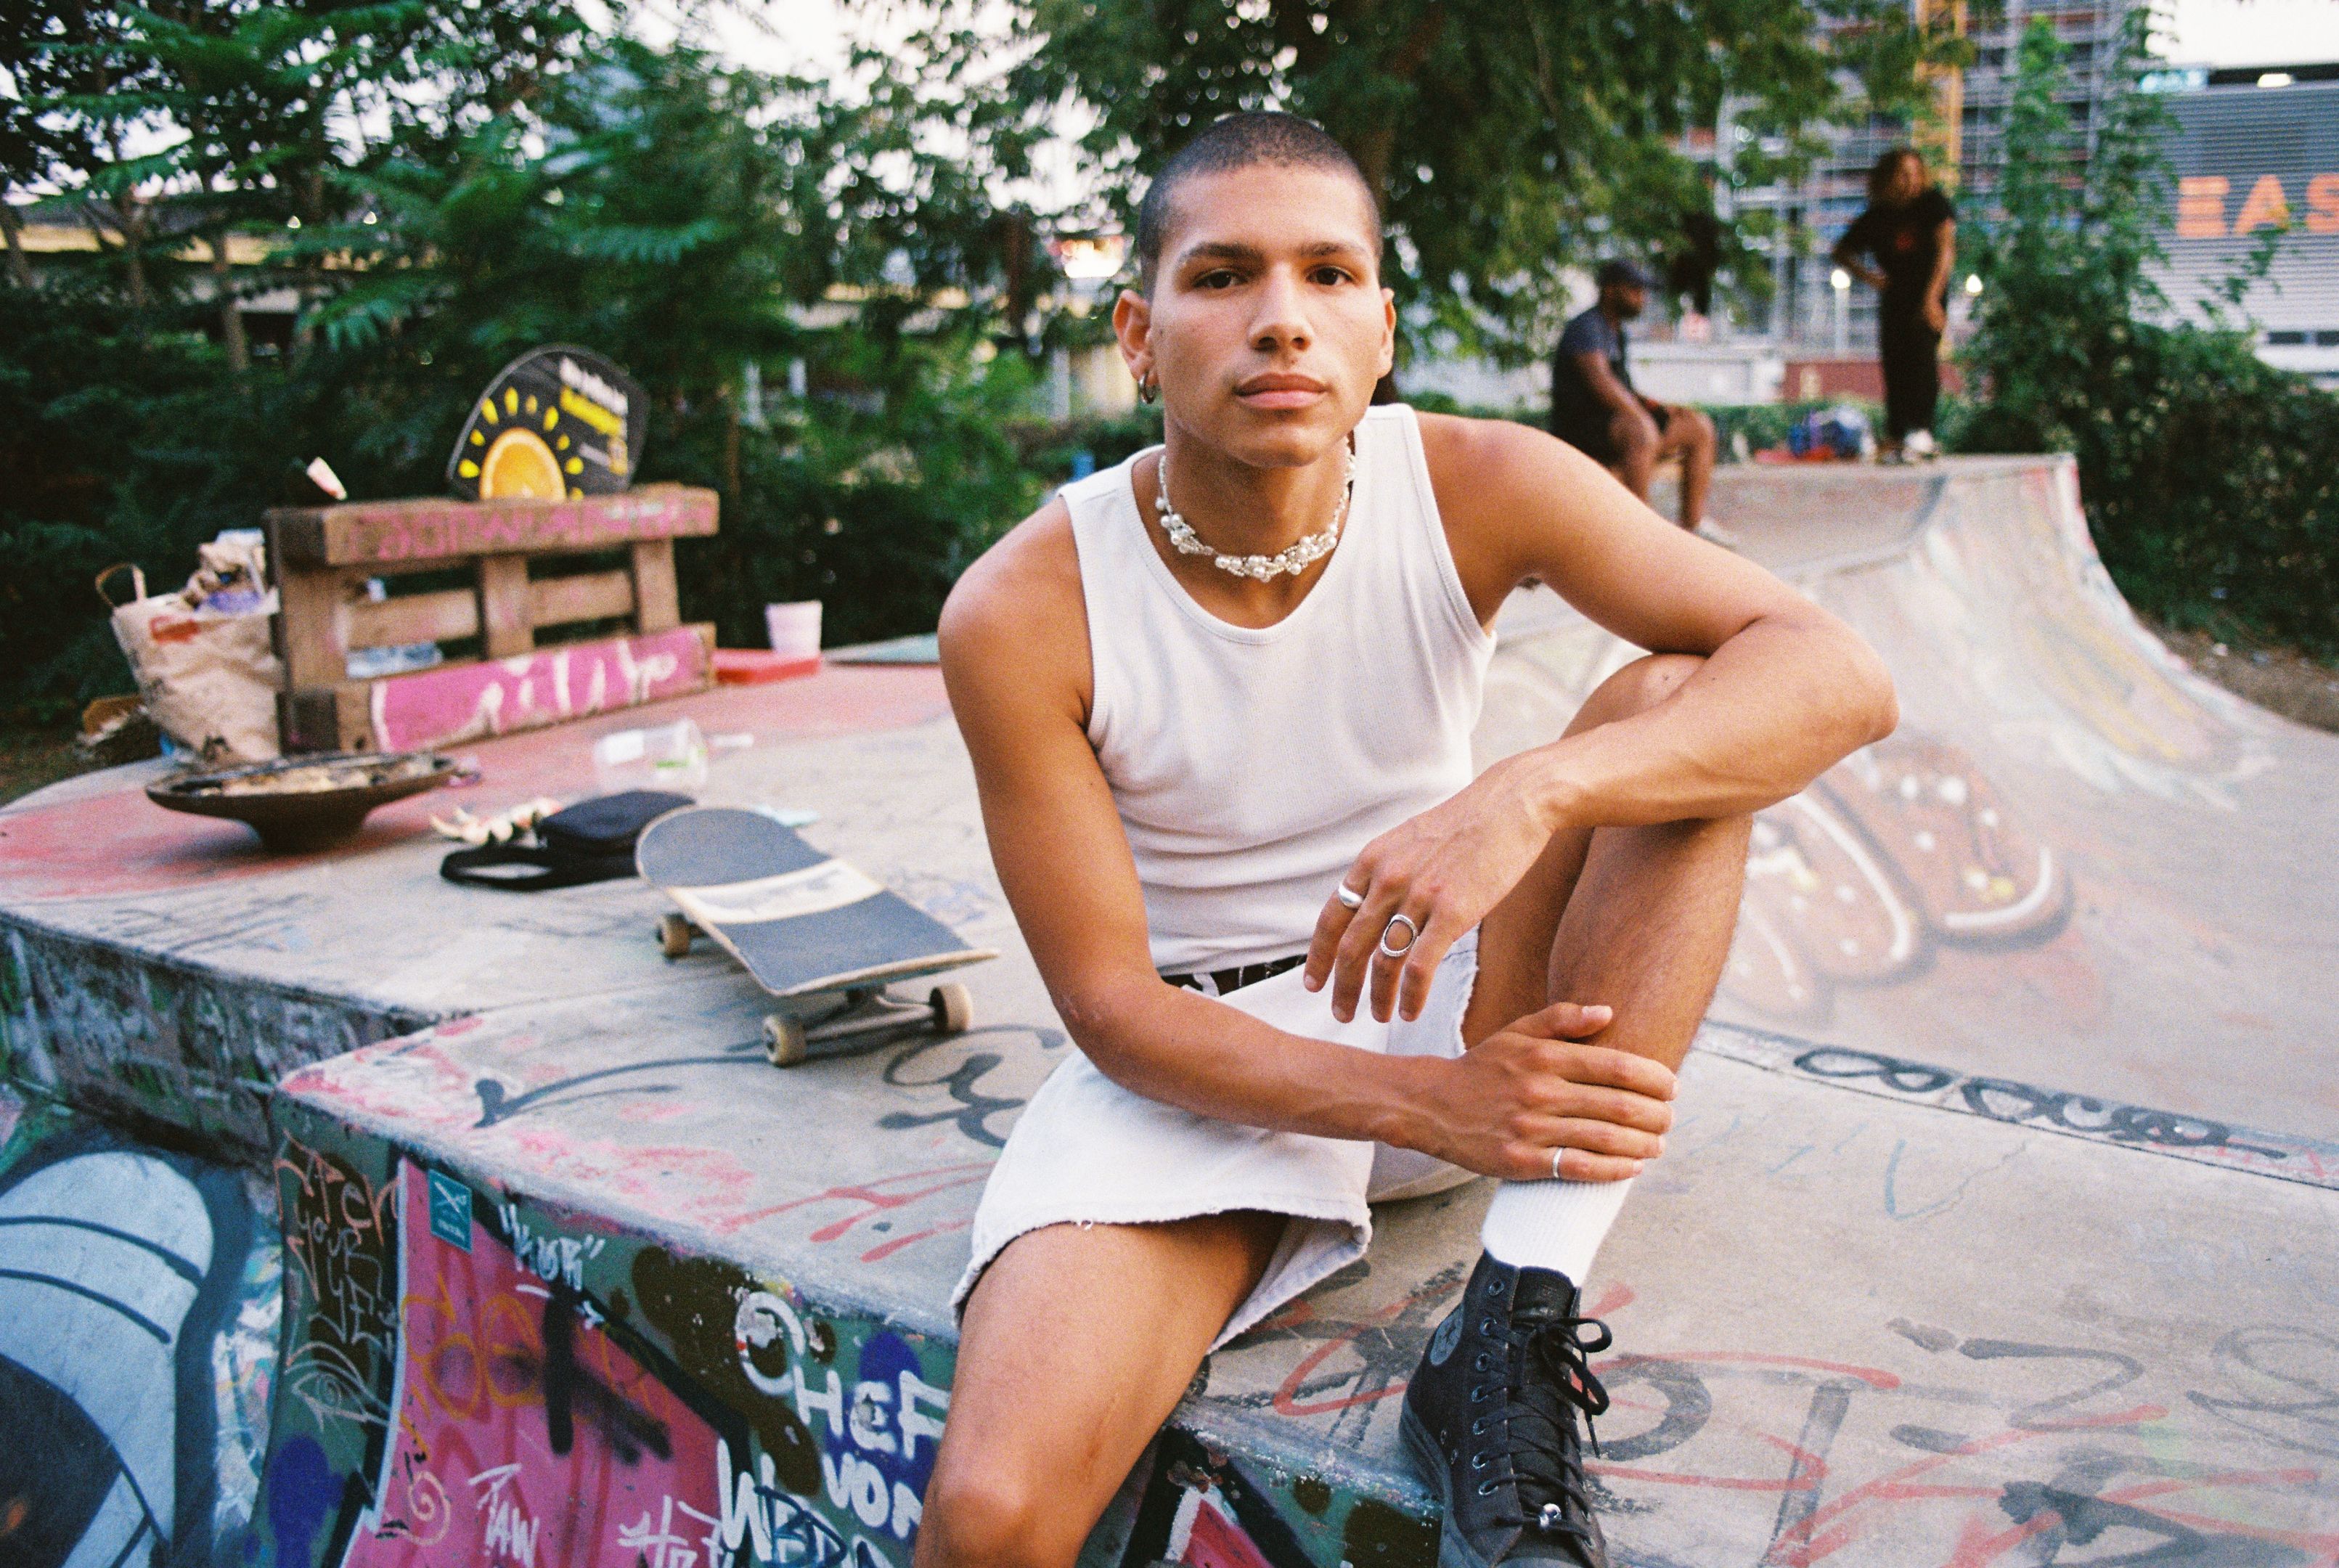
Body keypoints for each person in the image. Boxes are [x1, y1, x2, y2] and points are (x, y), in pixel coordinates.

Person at [923, 112, 1897, 1568]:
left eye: (1328, 276)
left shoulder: (1474, 482)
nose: (1281, 321)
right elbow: (1110, 1007)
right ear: (1139, 333)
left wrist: (1530, 794)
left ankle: (1512, 1323)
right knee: (990, 1517)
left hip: (1454, 997)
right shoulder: (1022, 607)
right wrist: (1436, 1110)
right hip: (1207, 1076)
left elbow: (1838, 675)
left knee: (1677, 704)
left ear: (1381, 329)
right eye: (1222, 277)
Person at [1546, 259, 1721, 538]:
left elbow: (1623, 387)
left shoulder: (1616, 331)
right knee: (1640, 431)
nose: (1642, 298)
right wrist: (1642, 417)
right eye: (1635, 290)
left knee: (1698, 426)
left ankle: (1693, 525)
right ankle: (1640, 533)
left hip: (1616, 425)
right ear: (1610, 290)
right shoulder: (1586, 328)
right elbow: (1602, 382)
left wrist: (1659, 408)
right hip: (1582, 430)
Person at [1832, 147, 1956, 462]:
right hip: (1895, 296)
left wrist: (1932, 298)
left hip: (1927, 291)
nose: (1909, 181)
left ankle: (1922, 429)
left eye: (1914, 174)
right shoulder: (1878, 216)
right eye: (1902, 174)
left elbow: (1945, 251)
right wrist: (1871, 277)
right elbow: (1841, 251)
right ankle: (1896, 434)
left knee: (1922, 359)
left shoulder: (1933, 205)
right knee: (1895, 362)